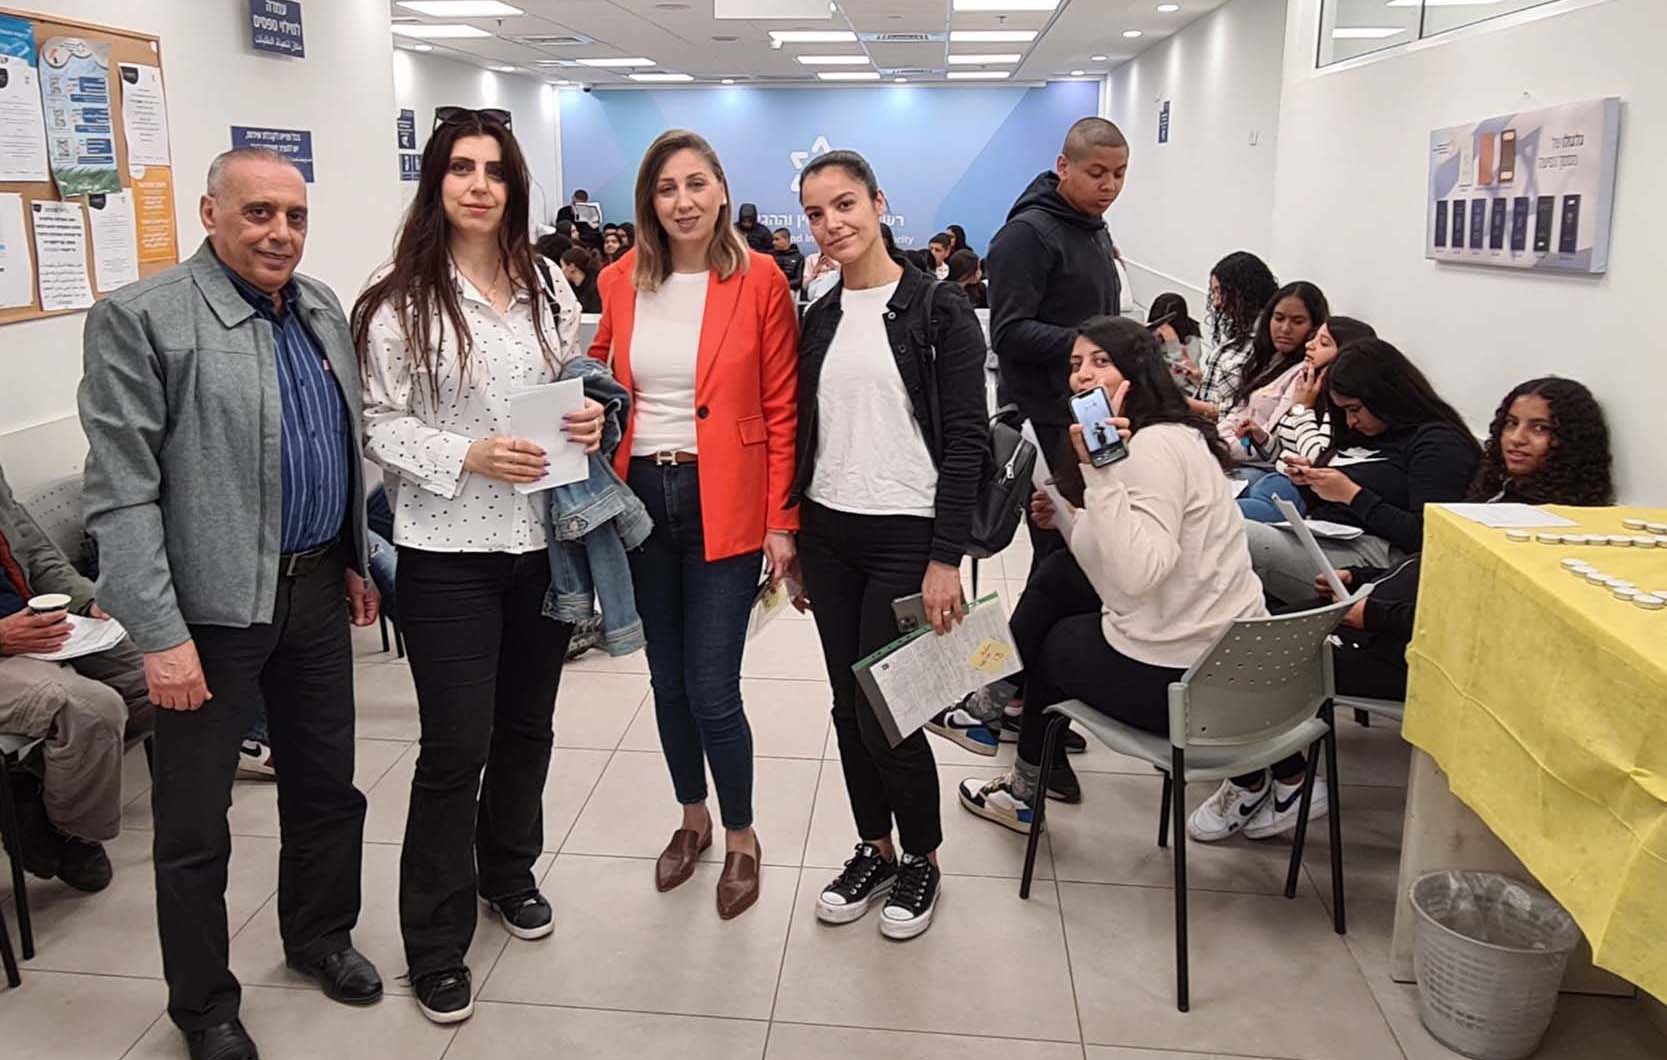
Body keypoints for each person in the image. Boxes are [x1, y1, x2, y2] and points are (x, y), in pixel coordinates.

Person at [79, 146, 383, 1060]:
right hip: (208, 617)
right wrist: (159, 635)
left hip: (315, 592)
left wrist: (352, 557)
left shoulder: (319, 307)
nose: (280, 233)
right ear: (210, 214)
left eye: (294, 215)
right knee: (193, 824)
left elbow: (338, 444)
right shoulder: (143, 318)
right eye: (258, 213)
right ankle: (205, 1005)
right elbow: (121, 495)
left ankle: (320, 936)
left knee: (326, 787)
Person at [354, 107, 595, 1025]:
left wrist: (588, 418)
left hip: (543, 545)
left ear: (515, 186)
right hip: (447, 551)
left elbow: (570, 384)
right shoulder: (398, 298)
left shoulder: (544, 282)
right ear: (436, 181)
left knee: (528, 729)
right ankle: (434, 941)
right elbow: (377, 422)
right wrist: (469, 454)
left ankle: (509, 873)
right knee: (456, 748)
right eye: (462, 168)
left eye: (495, 170)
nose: (479, 185)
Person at [1194, 377, 1616, 843]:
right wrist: (1359, 577)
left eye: (1539, 429)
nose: (1517, 438)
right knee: (1244, 635)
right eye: (1512, 424)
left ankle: (1278, 783)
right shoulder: (1500, 494)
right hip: (1379, 615)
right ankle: (1272, 778)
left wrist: (1372, 614)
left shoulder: (1550, 529)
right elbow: (1427, 564)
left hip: (1417, 656)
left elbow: (1479, 622)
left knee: (1253, 658)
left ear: (1570, 442)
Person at [589, 129, 798, 921]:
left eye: (696, 184)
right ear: (650, 200)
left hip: (726, 495)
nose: (682, 202)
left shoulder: (760, 278)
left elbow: (781, 406)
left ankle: (742, 834)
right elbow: (597, 374)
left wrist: (782, 520)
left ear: (720, 190)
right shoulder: (619, 279)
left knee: (712, 686)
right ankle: (692, 817)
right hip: (641, 497)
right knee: (666, 680)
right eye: (666, 187)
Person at [957, 316, 1266, 834]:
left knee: (1055, 641)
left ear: (1137, 371)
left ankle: (1017, 775)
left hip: (1189, 683)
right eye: (1076, 363)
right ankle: (992, 711)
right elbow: (1122, 555)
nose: (1082, 375)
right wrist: (1069, 516)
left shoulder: (1150, 449)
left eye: (1101, 362)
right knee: (1060, 575)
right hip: (1225, 661)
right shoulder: (1174, 435)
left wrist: (1099, 474)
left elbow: (1136, 574)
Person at [792, 150, 985, 940]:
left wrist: (946, 558)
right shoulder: (820, 316)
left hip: (907, 537)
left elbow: (967, 441)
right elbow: (806, 433)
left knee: (888, 712)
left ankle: (922, 859)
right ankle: (873, 848)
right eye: (815, 213)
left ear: (878, 203)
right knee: (847, 707)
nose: (830, 224)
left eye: (844, 204)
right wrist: (796, 538)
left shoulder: (939, 310)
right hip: (829, 532)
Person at [0, 464, 151, 893]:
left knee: (158, 679)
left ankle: (29, 789)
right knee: (92, 709)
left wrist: (88, 602)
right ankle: (73, 835)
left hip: (33, 626)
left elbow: (35, 550)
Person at [1241, 339, 1481, 605]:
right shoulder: (1365, 433)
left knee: (1236, 534)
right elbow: (1335, 502)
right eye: (1343, 411)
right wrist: (1312, 481)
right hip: (1324, 534)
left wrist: (1352, 495)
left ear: (1385, 395)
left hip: (1379, 557)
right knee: (1228, 525)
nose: (1350, 421)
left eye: (1354, 409)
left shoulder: (1437, 443)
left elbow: (1428, 535)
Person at [988, 117, 1127, 572]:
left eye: (1119, 173)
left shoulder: (1094, 226)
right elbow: (1007, 333)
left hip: (1095, 411)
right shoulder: (1026, 235)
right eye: (1097, 173)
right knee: (1062, 552)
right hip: (1046, 419)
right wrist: (1091, 345)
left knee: (1105, 544)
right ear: (1064, 166)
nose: (1110, 186)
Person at [1236, 316, 1377, 522]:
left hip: (1296, 491)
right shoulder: (1307, 388)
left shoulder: (1339, 406)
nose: (1309, 345)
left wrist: (1302, 409)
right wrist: (1261, 438)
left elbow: (1317, 460)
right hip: (1273, 478)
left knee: (1218, 513)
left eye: (1323, 343)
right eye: (1314, 338)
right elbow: (1284, 453)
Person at [1217, 281, 1328, 464]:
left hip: (1261, 465)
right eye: (1279, 318)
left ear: (1314, 328)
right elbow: (1236, 413)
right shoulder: (1268, 359)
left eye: (1298, 322)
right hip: (1232, 450)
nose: (1285, 329)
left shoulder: (1304, 374)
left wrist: (1215, 448)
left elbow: (1268, 439)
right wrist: (1212, 440)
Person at [1190, 251, 1277, 420]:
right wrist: (1200, 378)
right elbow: (1227, 392)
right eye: (1213, 293)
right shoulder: (1240, 332)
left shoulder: (1266, 341)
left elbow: (1247, 412)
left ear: (1244, 292)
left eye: (1220, 292)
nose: (1216, 302)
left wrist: (1190, 405)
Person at [1148, 291, 1202, 388]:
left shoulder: (1191, 340)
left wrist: (1173, 345)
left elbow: (1180, 380)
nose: (1159, 330)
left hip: (1179, 391)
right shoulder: (1153, 333)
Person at [560, 245, 603, 313]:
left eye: (562, 266)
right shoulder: (570, 287)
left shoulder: (594, 289)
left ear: (572, 267)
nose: (561, 270)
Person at [771, 227, 804, 295]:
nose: (773, 242)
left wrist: (782, 286)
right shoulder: (770, 256)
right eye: (773, 240)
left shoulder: (798, 257)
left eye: (777, 239)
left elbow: (798, 280)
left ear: (786, 240)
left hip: (789, 289)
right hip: (771, 288)